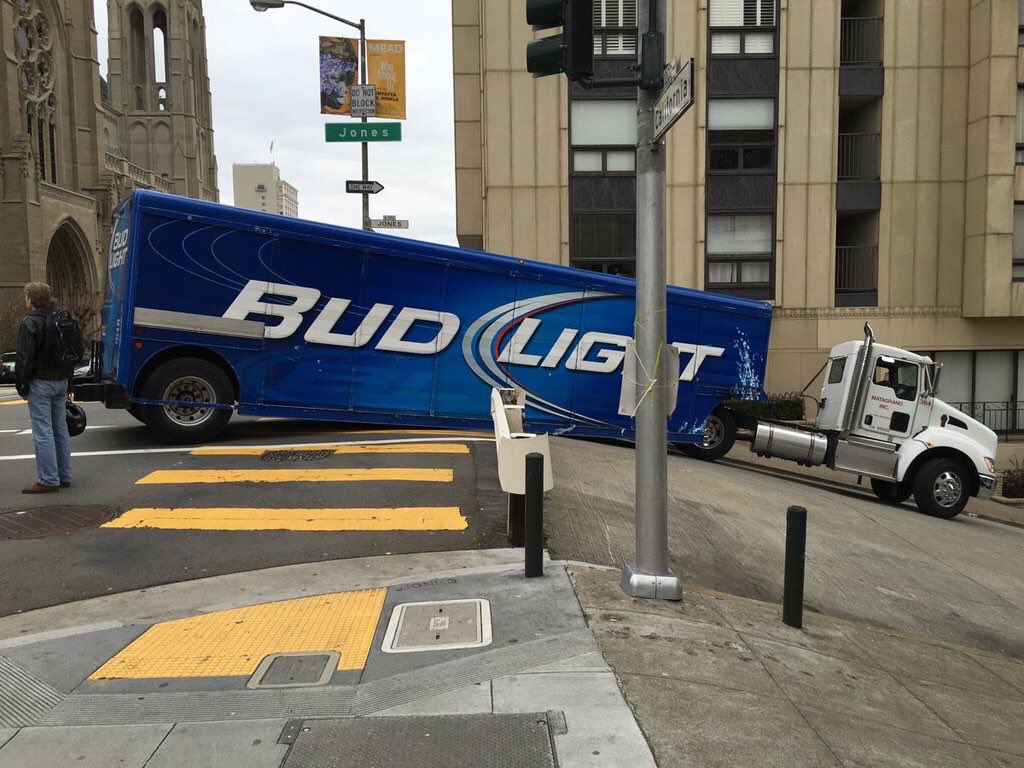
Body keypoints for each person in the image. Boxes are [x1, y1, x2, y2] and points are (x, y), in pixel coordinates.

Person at [15, 282, 72, 494]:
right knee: (60, 429)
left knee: (42, 432)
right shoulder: (62, 319)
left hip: (40, 382)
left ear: (31, 299)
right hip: (61, 380)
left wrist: (21, 383)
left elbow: (25, 357)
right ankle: (64, 475)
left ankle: (48, 479)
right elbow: (74, 350)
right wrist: (69, 379)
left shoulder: (30, 323)